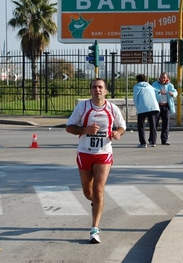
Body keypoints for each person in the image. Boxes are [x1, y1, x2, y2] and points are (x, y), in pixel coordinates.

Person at [66, 78, 126, 244]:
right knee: (88, 192)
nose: (97, 90)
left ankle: (94, 229)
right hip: (84, 152)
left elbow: (122, 126)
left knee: (98, 189)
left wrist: (118, 133)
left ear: (106, 91)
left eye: (100, 87)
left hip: (103, 153)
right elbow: (69, 127)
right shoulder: (82, 107)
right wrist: (86, 130)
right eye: (94, 87)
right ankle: (97, 204)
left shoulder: (112, 109)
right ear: (90, 90)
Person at [133, 74, 160, 148]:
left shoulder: (136, 87)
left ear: (137, 80)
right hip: (153, 107)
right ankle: (153, 141)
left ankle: (143, 143)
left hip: (143, 108)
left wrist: (138, 108)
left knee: (141, 125)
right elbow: (157, 92)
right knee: (153, 125)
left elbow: (135, 98)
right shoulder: (149, 86)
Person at [152, 72, 178, 145]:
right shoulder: (155, 84)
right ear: (159, 78)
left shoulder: (170, 85)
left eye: (164, 78)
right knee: (154, 124)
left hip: (166, 106)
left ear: (166, 78)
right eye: (162, 77)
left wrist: (172, 94)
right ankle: (152, 140)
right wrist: (159, 92)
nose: (163, 79)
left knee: (166, 124)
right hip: (156, 106)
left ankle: (165, 139)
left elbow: (175, 92)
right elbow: (152, 91)